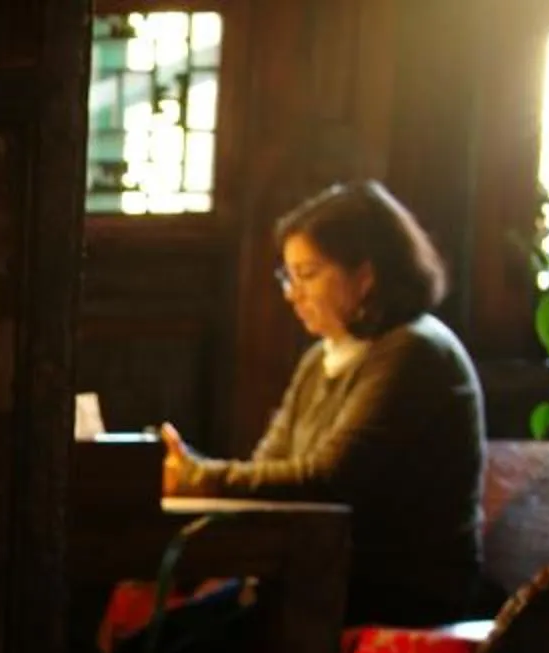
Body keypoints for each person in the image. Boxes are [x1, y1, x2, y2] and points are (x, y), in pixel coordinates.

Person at [159, 179, 488, 628]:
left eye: (308, 274)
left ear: (365, 275)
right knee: (152, 652)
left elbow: (328, 479)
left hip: (396, 592)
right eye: (288, 277)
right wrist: (199, 476)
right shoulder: (321, 358)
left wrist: (202, 476)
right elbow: (269, 466)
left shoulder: (413, 351)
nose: (293, 294)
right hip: (316, 579)